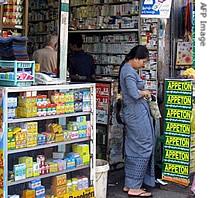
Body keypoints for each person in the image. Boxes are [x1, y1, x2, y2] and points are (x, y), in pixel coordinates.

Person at [119, 45, 155, 197]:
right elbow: (134, 94)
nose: (144, 65)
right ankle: (135, 187)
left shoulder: (127, 70)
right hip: (136, 114)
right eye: (143, 61)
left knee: (133, 145)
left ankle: (130, 183)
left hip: (133, 113)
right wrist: (145, 92)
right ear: (135, 58)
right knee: (144, 144)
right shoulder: (128, 72)